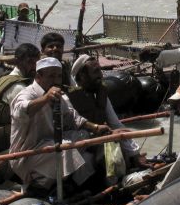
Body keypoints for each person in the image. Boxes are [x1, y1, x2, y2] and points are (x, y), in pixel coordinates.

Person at [9, 57, 111, 192]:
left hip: (50, 145)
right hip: (27, 154)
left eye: (58, 76)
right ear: (38, 76)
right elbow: (22, 109)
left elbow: (73, 117)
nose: (56, 80)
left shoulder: (60, 96)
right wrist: (45, 98)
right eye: (51, 76)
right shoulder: (26, 94)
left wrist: (96, 128)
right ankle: (43, 187)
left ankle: (81, 186)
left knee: (85, 137)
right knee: (66, 149)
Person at [66, 54, 142, 181]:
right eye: (96, 72)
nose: (101, 76)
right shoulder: (69, 99)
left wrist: (135, 153)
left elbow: (116, 124)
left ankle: (125, 176)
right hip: (81, 145)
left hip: (100, 139)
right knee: (103, 152)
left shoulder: (101, 93)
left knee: (120, 137)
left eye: (100, 71)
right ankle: (109, 187)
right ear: (82, 76)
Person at [0, 43, 40, 127]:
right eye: (30, 62)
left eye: (36, 62)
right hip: (3, 135)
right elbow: (25, 119)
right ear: (17, 62)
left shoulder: (7, 76)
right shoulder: (18, 87)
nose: (35, 67)